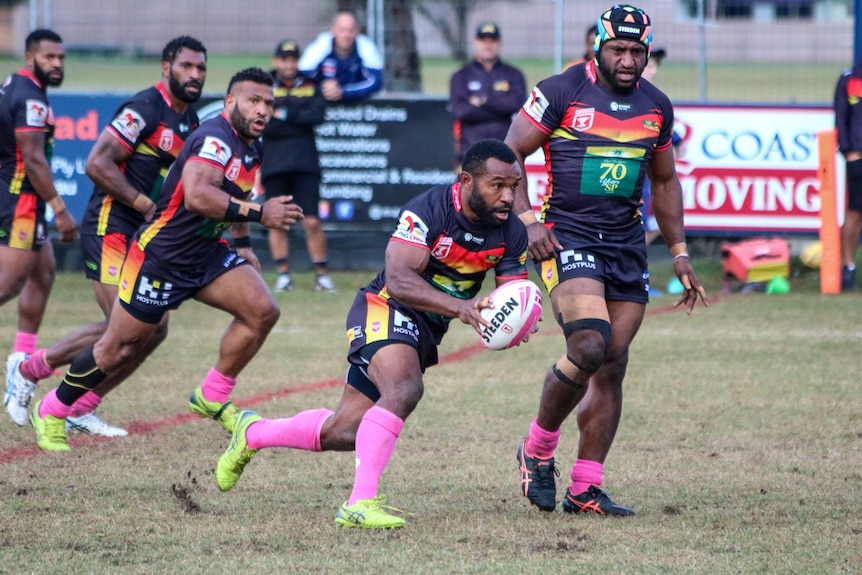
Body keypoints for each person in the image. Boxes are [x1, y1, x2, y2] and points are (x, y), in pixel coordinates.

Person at [212, 139, 534, 529]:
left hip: (425, 328)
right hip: (385, 307)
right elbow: (399, 279)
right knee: (404, 388)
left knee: (346, 430)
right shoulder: (428, 210)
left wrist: (518, 321)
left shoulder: (512, 232)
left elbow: (512, 294)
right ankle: (359, 503)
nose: (507, 197)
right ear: (467, 181)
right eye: (496, 185)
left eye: (513, 187)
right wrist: (461, 308)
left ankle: (254, 432)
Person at [28, 67, 304, 451]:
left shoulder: (252, 145)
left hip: (205, 254)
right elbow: (197, 196)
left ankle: (212, 393)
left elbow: (235, 192)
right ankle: (53, 409)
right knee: (118, 348)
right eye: (253, 101)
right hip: (161, 258)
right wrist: (260, 214)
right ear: (230, 102)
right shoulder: (215, 138)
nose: (262, 110)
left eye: (269, 104)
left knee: (262, 310)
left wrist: (244, 246)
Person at [504, 4, 708, 516]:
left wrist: (679, 252)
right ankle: (537, 449)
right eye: (618, 49)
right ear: (598, 46)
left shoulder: (657, 105)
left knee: (613, 362)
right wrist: (530, 223)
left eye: (637, 51)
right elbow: (509, 155)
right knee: (589, 344)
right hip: (567, 236)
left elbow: (664, 181)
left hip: (626, 244)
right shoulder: (561, 90)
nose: (627, 60)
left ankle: (585, 487)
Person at [4, 36, 208, 437]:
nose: (195, 75)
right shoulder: (144, 108)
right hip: (110, 225)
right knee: (124, 327)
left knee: (154, 328)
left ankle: (82, 405)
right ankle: (27, 370)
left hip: (144, 236)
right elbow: (96, 163)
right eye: (186, 66)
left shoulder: (191, 121)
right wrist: (141, 203)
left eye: (201, 68)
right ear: (167, 68)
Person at [1, 29, 78, 423]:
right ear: (31, 57)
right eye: (50, 57)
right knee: (9, 285)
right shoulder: (29, 95)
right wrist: (61, 209)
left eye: (61, 58)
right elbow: (33, 159)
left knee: (43, 274)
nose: (58, 64)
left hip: (19, 197)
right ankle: (19, 366)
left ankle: (20, 360)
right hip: (21, 202)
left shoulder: (18, 84)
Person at [261, 40, 332, 293]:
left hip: (305, 162)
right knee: (278, 220)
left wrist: (284, 113)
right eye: (284, 59)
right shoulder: (264, 84)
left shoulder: (311, 83)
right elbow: (262, 121)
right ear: (276, 60)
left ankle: (322, 275)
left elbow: (318, 115)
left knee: (311, 221)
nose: (289, 64)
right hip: (274, 163)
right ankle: (283, 275)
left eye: (293, 59)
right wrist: (295, 117)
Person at [449, 22, 526, 171]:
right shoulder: (461, 76)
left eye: (492, 41)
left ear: (500, 44)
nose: (488, 45)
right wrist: (500, 110)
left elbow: (517, 104)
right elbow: (461, 111)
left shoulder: (513, 74)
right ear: (475, 43)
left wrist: (483, 101)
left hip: (504, 150)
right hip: (469, 152)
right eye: (483, 41)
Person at [299, 11, 383, 103]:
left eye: (350, 30)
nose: (346, 35)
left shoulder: (367, 47)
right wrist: (323, 88)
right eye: (342, 30)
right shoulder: (320, 46)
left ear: (357, 31)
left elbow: (376, 83)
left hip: (357, 106)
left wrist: (343, 91)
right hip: (321, 104)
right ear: (333, 30)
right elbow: (301, 75)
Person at [834, 60, 862, 291]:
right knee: (854, 214)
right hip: (858, 157)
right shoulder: (850, 79)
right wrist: (848, 151)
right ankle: (848, 268)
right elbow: (841, 118)